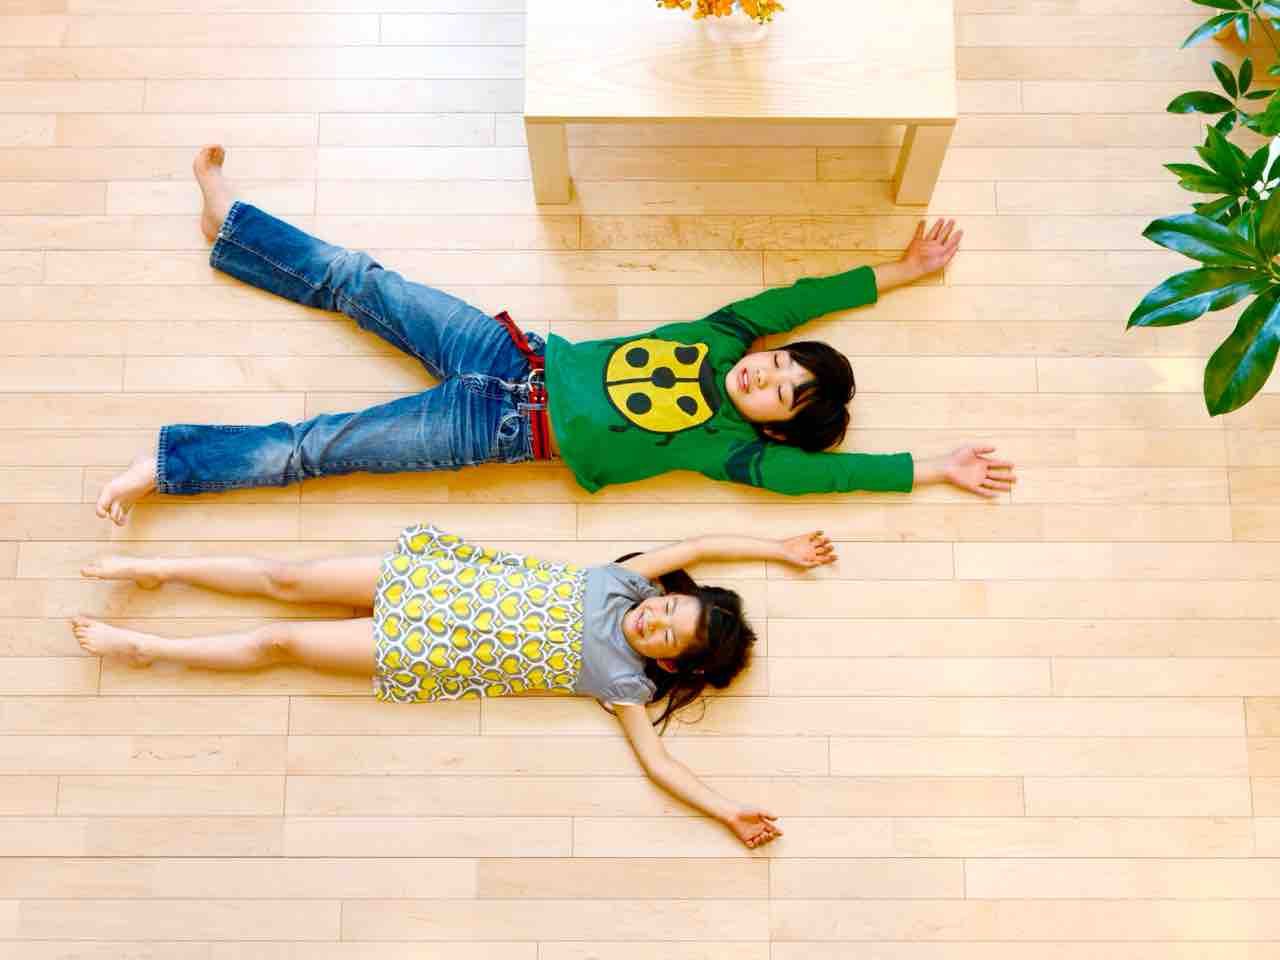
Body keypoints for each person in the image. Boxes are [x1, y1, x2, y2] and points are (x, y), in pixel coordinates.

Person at [94, 147, 1015, 524]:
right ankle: (232, 226)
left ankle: (167, 468)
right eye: (775, 364)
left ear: (775, 428)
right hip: (508, 353)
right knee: (364, 281)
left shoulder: (730, 450)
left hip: (496, 431)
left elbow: (829, 477)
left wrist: (932, 469)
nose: (762, 376)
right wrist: (901, 272)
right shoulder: (721, 336)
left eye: (777, 394)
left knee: (318, 448)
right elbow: (799, 297)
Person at [72, 525, 840, 849]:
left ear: (670, 666)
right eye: (669, 609)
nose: (654, 621)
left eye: (667, 637)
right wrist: (778, 549)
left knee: (282, 643)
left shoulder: (621, 681)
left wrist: (726, 811)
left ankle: (145, 648)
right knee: (287, 578)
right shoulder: (625, 581)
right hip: (432, 582)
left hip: (426, 646)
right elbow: (702, 542)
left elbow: (658, 763)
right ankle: (160, 569)